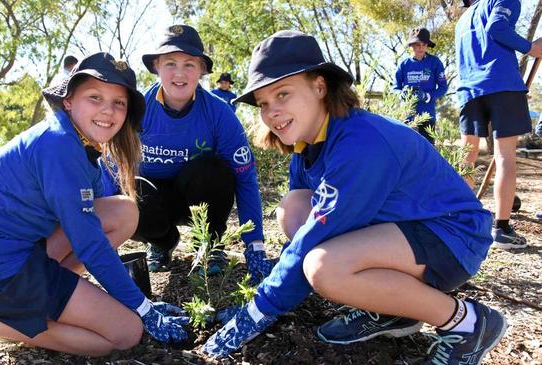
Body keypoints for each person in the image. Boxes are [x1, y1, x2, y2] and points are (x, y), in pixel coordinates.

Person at [202, 30, 506, 365]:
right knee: (293, 208)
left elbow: (315, 238)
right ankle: (395, 311)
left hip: (452, 237)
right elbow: (305, 227)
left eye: (283, 94)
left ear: (320, 87)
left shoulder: (360, 143)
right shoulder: (307, 144)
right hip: (405, 228)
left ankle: (469, 323)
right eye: (263, 103)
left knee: (324, 268)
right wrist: (268, 294)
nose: (272, 112)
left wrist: (259, 309)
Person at [0, 52, 190, 365]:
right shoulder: (59, 146)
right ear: (68, 101)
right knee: (126, 332)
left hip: (3, 250)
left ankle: (51, 297)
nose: (108, 110)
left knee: (125, 211)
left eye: (119, 102)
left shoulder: (78, 141)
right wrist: (143, 308)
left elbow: (98, 206)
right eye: (95, 97)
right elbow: (90, 245)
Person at [104, 24, 273, 282]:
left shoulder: (220, 114)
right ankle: (162, 244)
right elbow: (110, 171)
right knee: (132, 191)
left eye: (189, 65)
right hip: (156, 203)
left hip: (200, 199)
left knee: (212, 169)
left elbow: (245, 178)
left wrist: (255, 247)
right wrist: (107, 247)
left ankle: (209, 245)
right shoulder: (136, 110)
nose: (179, 73)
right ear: (156, 67)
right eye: (170, 63)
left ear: (202, 70)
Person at [455, 0, 542, 249]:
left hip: (470, 90)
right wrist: (531, 48)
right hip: (501, 86)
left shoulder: (463, 19)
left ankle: (460, 221)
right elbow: (497, 28)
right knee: (505, 157)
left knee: (467, 157)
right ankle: (501, 229)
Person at [393, 27, 448, 144]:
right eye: (417, 44)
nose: (421, 47)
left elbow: (443, 87)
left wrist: (427, 96)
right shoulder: (403, 64)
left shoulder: (435, 62)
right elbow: (395, 88)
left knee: (428, 151)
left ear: (427, 45)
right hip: (407, 117)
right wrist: (401, 94)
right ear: (411, 45)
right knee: (408, 151)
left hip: (427, 116)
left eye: (424, 44)